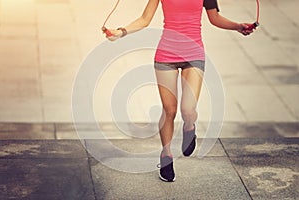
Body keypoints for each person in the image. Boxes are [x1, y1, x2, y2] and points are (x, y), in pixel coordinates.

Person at [104, 0, 254, 182]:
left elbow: (214, 18)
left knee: (188, 110)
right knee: (169, 110)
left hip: (194, 55)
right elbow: (145, 19)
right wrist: (120, 32)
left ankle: (189, 126)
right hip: (166, 55)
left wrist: (238, 26)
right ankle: (166, 156)